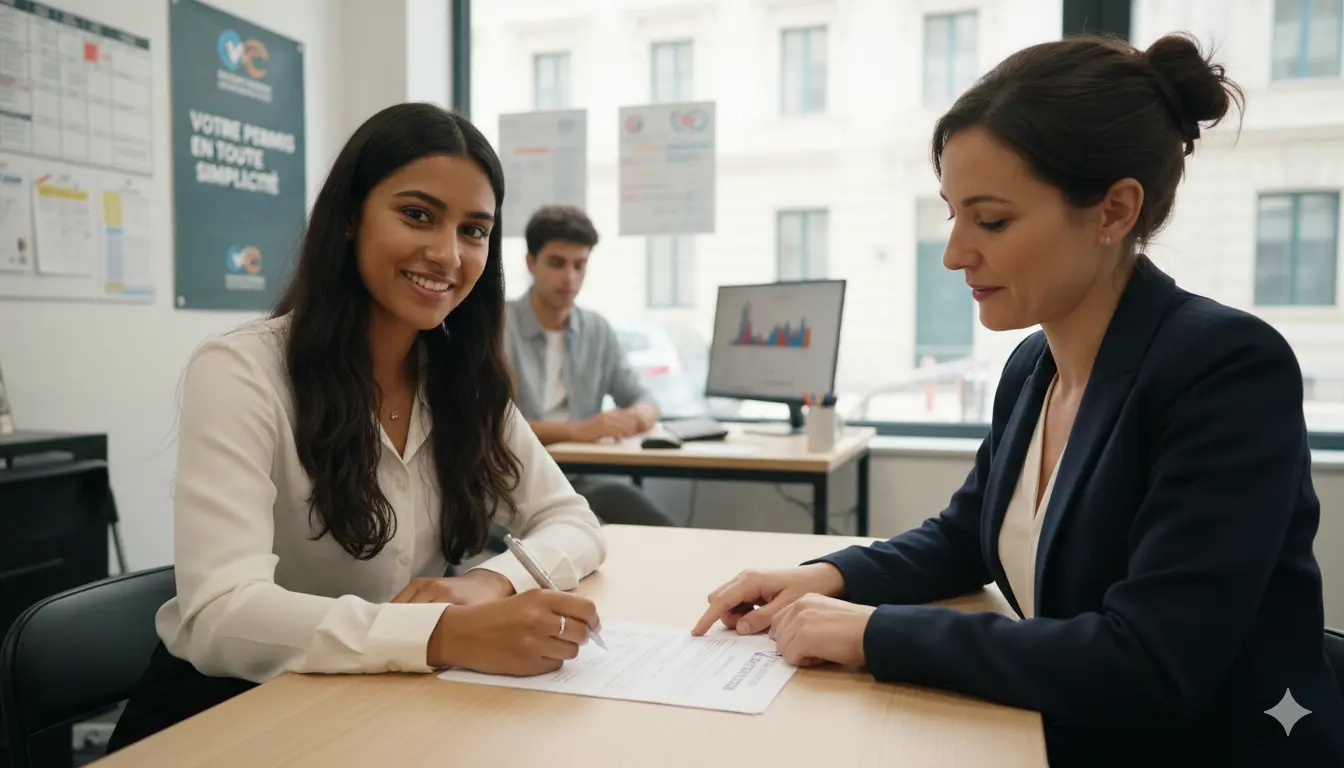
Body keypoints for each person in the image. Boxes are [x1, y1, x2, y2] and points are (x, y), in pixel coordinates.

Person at [691, 34, 1344, 767]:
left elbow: (1151, 663)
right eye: (953, 214)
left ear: (1114, 210)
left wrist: (869, 633)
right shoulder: (1035, 365)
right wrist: (821, 578)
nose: (954, 253)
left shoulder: (1224, 369)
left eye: (992, 220)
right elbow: (966, 537)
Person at [107, 103, 606, 752]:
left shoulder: (462, 379)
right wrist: (444, 635)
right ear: (349, 219)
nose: (448, 254)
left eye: (474, 230)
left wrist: (486, 584)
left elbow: (575, 522)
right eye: (417, 215)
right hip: (230, 713)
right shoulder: (242, 372)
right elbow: (219, 614)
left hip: (380, 703)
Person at [502, 204, 677, 527]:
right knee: (590, 535)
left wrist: (638, 415)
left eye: (579, 265)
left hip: (580, 479)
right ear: (531, 262)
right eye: (557, 263)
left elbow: (645, 398)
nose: (569, 277)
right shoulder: (497, 326)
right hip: (508, 484)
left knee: (664, 530)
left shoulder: (596, 330)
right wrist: (577, 431)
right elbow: (487, 428)